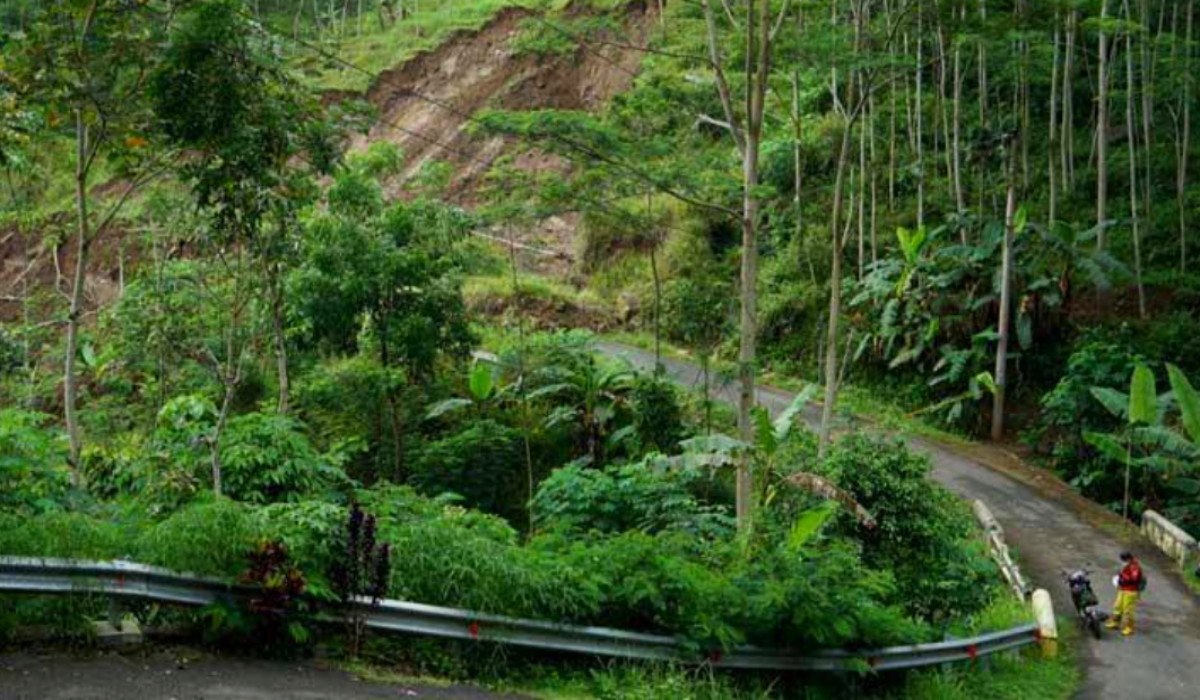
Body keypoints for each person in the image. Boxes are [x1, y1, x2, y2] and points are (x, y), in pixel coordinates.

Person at [1106, 551, 1145, 637]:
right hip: (1122, 589)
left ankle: (1129, 627)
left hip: (1131, 591)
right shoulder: (1126, 565)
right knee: (1118, 606)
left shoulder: (1135, 567)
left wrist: (1123, 576)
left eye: (1124, 560)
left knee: (1128, 610)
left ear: (1128, 559)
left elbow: (1134, 579)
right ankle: (1115, 622)